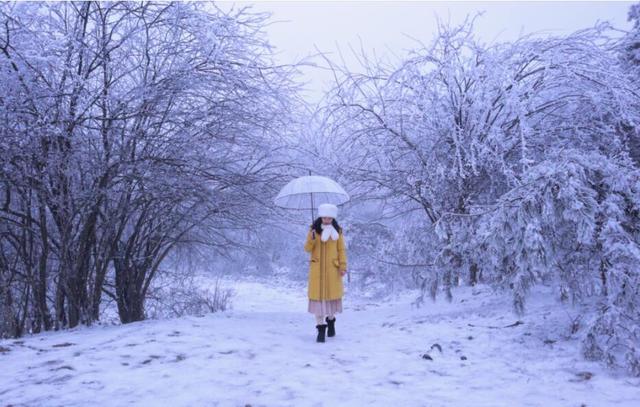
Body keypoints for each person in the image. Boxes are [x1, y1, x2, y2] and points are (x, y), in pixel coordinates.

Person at [304, 203, 347, 343]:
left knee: (330, 299)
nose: (327, 220)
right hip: (317, 271)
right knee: (318, 300)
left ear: (333, 218)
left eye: (329, 218)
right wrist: (312, 239)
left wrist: (342, 266)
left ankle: (331, 320)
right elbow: (307, 249)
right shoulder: (313, 230)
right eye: (324, 217)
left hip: (332, 271)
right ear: (321, 217)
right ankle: (320, 329)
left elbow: (341, 250)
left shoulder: (338, 232)